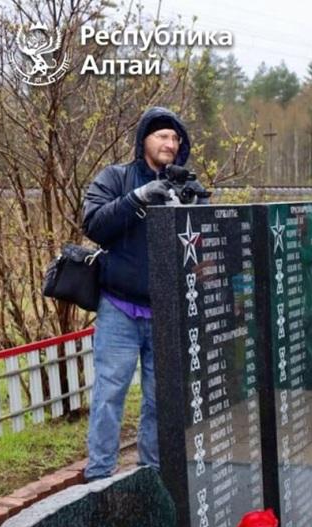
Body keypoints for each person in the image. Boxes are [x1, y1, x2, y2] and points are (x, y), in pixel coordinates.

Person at [82, 107, 207, 481]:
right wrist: (137, 198)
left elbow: (206, 244)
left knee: (159, 400)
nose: (169, 144)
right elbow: (94, 225)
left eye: (174, 138)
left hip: (166, 312)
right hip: (119, 308)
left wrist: (192, 203)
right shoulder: (116, 178)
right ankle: (99, 475)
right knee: (109, 395)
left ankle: (150, 475)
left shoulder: (188, 186)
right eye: (161, 136)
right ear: (143, 141)